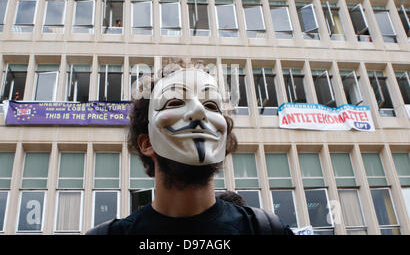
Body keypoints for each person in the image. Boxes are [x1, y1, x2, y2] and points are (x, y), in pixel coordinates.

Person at [87, 61, 293, 235]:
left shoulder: (265, 230)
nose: (197, 110)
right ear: (147, 143)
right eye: (175, 102)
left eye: (211, 105)